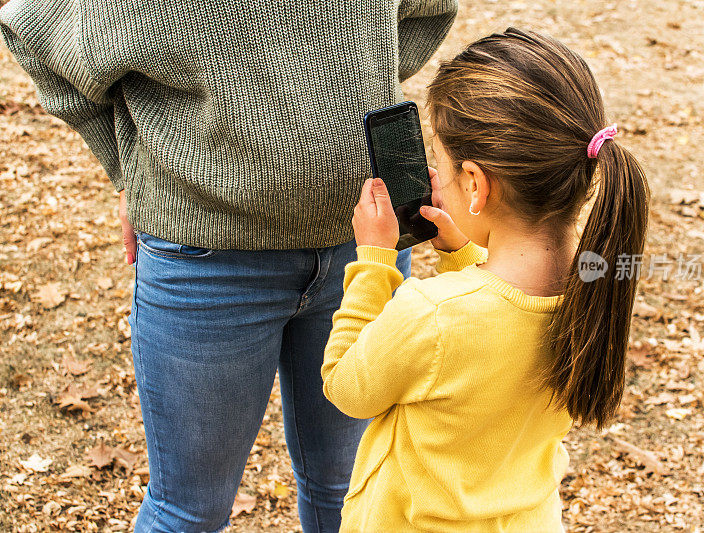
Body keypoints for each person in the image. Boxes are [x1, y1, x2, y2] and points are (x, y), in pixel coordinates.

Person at [0, 0, 459, 531]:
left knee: (350, 490)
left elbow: (431, 9)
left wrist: (352, 73)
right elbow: (35, 29)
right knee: (188, 512)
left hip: (364, 251)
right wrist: (126, 164)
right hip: (208, 266)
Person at [321, 27, 650, 532]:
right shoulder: (596, 287)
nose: (439, 178)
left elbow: (346, 388)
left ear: (475, 184)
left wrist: (374, 260)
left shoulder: (431, 314)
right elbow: (495, 325)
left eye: (445, 167)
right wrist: (460, 254)